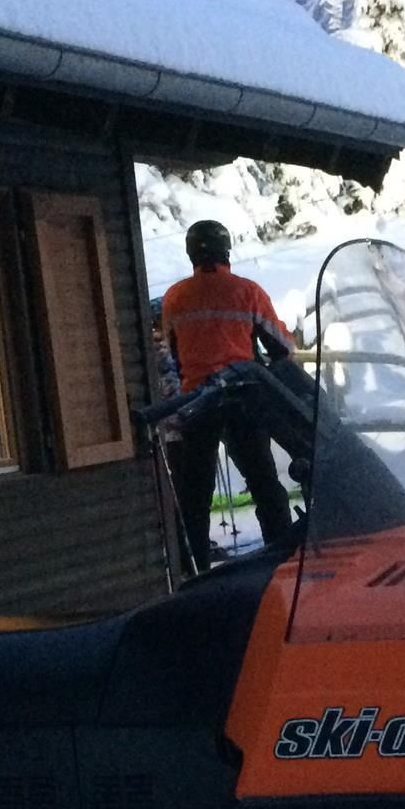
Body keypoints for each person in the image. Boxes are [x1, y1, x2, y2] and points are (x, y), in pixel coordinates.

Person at [159, 220, 295, 568]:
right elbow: (282, 346)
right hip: (243, 397)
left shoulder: (175, 297)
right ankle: (282, 558)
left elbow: (173, 353)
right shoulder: (247, 291)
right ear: (226, 251)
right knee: (264, 483)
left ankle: (195, 568)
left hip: (196, 402)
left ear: (191, 253)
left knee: (195, 494)